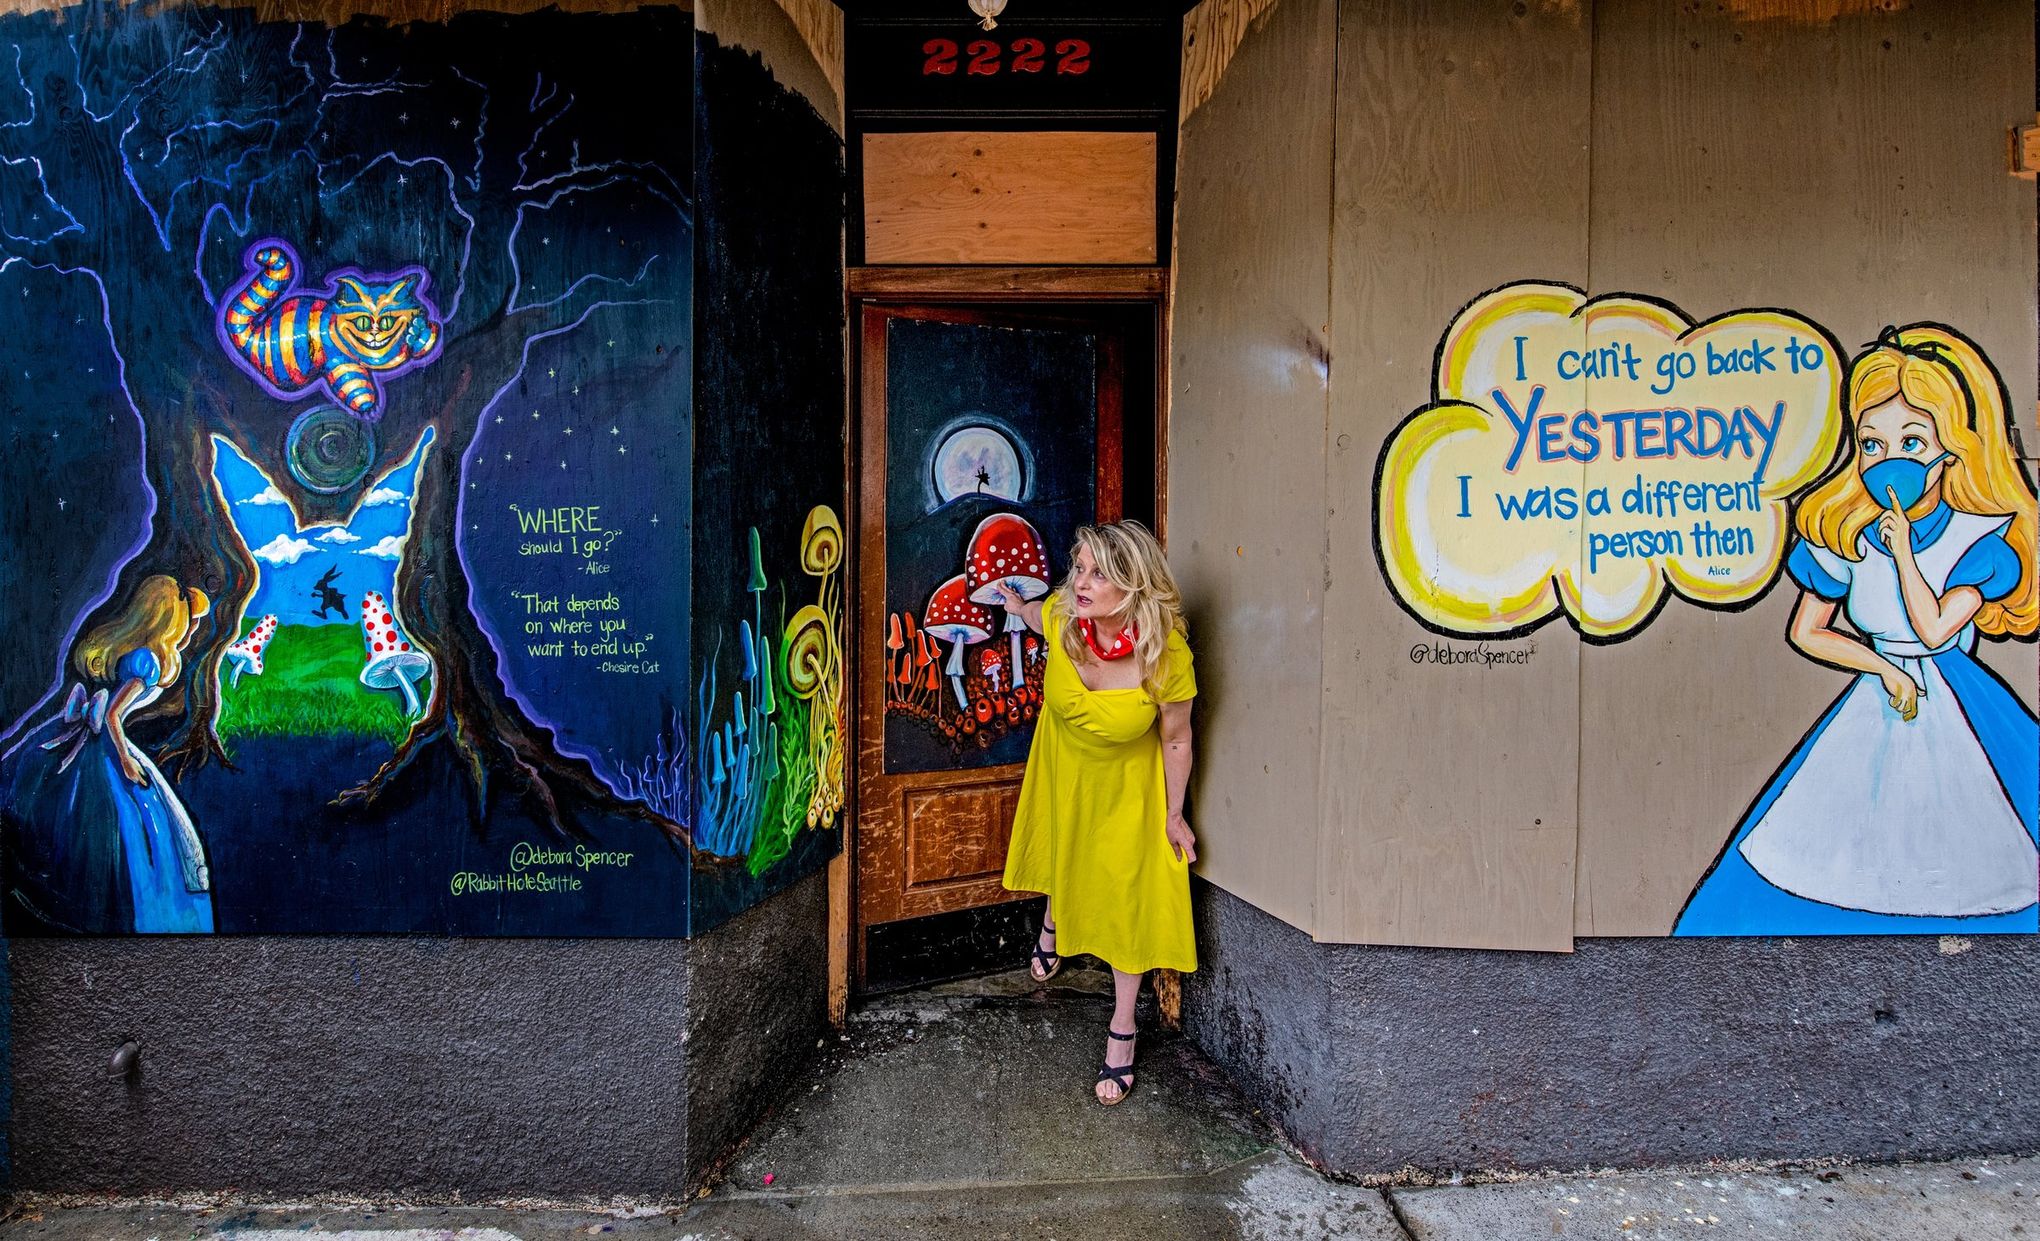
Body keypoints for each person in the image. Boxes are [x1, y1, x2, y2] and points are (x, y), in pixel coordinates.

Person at [1676, 326, 2037, 934]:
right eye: (1872, 443)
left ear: (1952, 451)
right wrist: (1881, 666)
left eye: (1912, 440)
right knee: (1822, 849)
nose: (1887, 458)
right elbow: (1808, 632)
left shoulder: (1981, 540)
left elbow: (1934, 630)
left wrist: (1902, 556)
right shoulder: (1849, 540)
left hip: (1961, 705)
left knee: (1982, 851)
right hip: (1878, 701)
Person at [993, 520, 1198, 1104]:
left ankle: (1124, 1028)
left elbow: (1177, 738)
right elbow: (1039, 617)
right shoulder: (1063, 617)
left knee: (1127, 901)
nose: (1081, 582)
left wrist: (1174, 813)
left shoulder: (1166, 656)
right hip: (1063, 765)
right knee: (1062, 850)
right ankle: (1054, 921)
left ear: (1134, 585)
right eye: (1078, 567)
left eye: (1098, 573)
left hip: (1126, 787)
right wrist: (1015, 604)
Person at [1, 575, 217, 934]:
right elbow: (114, 715)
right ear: (169, 620)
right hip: (108, 749)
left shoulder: (130, 651)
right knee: (130, 835)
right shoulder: (148, 662)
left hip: (91, 742)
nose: (193, 631)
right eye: (190, 622)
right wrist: (127, 763)